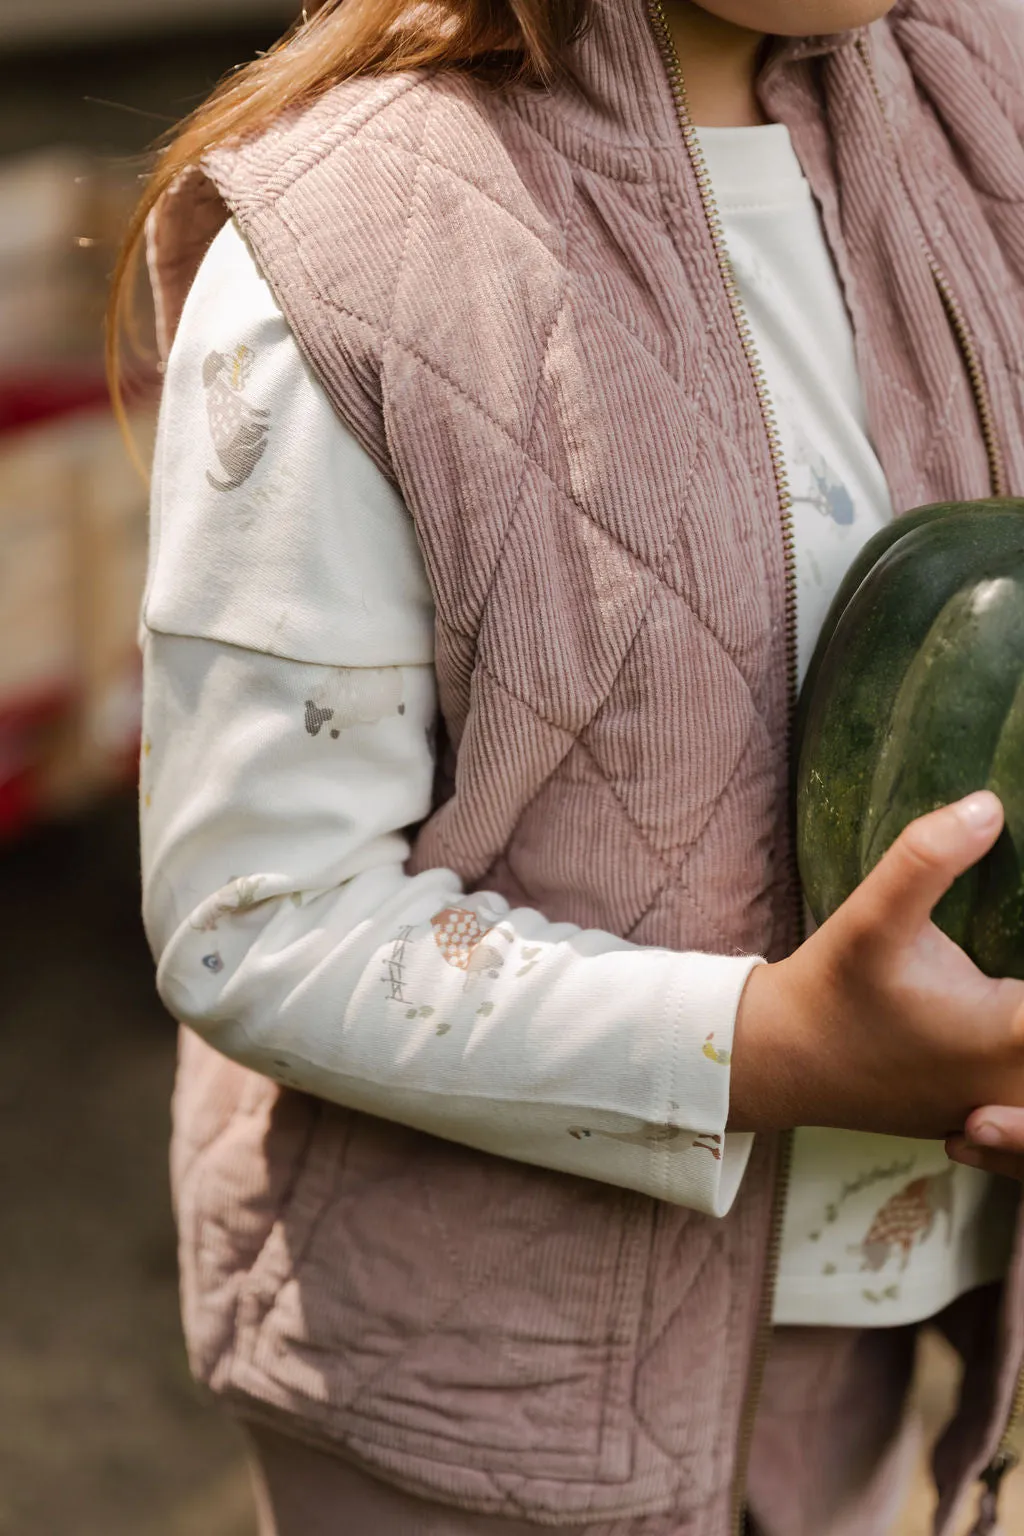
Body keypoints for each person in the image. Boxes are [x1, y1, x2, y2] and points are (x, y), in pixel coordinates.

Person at [112, 0, 1024, 1531]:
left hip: (871, 1347)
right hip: (470, 1400)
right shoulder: (351, 245)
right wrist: (769, 1046)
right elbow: (259, 917)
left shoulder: (985, 102)